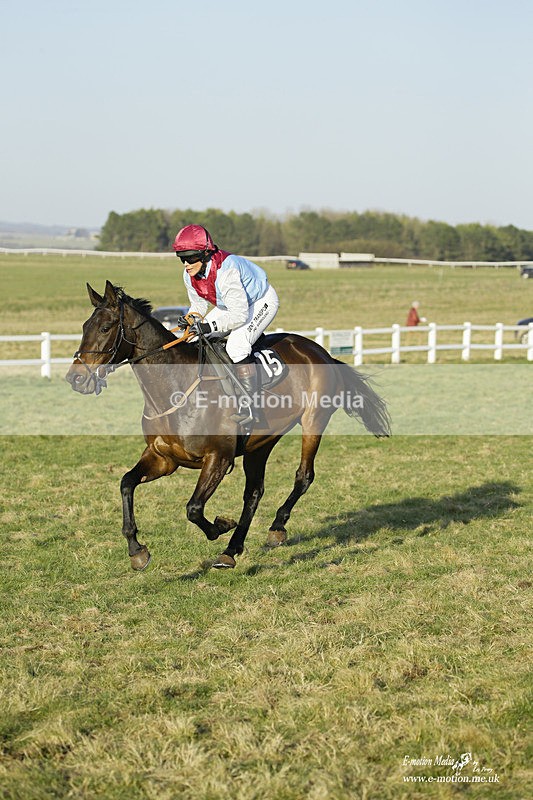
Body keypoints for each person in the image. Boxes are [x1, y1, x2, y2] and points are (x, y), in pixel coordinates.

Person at [172, 224, 280, 424]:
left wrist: (210, 326)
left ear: (205, 254)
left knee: (236, 347)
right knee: (194, 337)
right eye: (182, 258)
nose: (186, 263)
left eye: (191, 257)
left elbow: (239, 315)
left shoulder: (226, 272)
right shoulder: (189, 274)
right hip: (231, 304)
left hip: (259, 301)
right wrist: (191, 318)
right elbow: (198, 304)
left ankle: (250, 407)